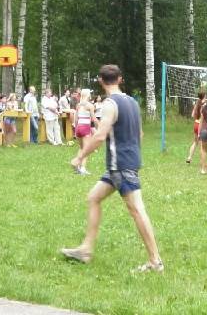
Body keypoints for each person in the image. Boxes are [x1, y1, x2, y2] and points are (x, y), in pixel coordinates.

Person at [61, 64, 163, 272]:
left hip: (121, 165)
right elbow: (140, 134)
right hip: (124, 163)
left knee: (137, 209)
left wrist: (80, 156)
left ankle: (155, 261)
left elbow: (100, 135)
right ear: (120, 79)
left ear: (100, 80)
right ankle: (86, 250)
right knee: (94, 198)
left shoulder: (110, 104)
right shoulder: (132, 102)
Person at [72, 89, 96, 174]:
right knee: (86, 149)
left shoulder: (78, 105)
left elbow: (76, 119)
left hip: (78, 127)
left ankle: (78, 166)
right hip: (85, 127)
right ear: (88, 95)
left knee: (81, 148)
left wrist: (75, 130)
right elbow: (93, 119)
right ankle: (83, 168)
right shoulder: (90, 105)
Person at [185, 92, 205, 164]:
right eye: (205, 96)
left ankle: (189, 157)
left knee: (195, 142)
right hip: (201, 126)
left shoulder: (197, 103)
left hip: (196, 124)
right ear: (204, 97)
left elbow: (192, 115)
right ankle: (202, 162)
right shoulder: (204, 105)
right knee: (202, 145)